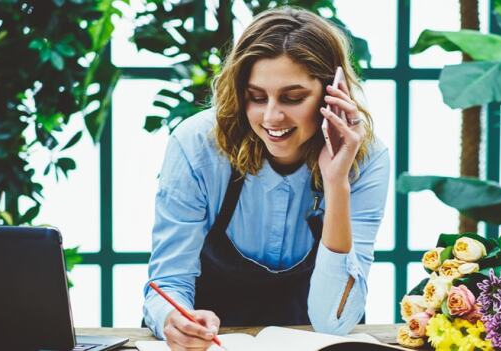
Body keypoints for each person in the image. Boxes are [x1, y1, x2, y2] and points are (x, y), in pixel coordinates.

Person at [143, 6, 390, 351]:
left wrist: (337, 184)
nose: (272, 117)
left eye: (293, 98)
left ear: (333, 92)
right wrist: (175, 321)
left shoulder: (367, 158)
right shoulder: (196, 145)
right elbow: (167, 283)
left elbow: (334, 321)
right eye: (256, 97)